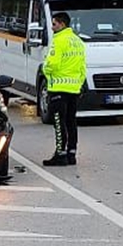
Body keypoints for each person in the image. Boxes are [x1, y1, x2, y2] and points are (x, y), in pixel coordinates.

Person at [42, 12, 86, 166]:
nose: (52, 27)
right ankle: (71, 153)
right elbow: (82, 68)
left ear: (62, 24)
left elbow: (52, 64)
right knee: (71, 121)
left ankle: (60, 154)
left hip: (59, 88)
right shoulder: (78, 41)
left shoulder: (59, 40)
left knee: (58, 122)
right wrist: (79, 84)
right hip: (73, 88)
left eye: (54, 24)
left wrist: (45, 70)